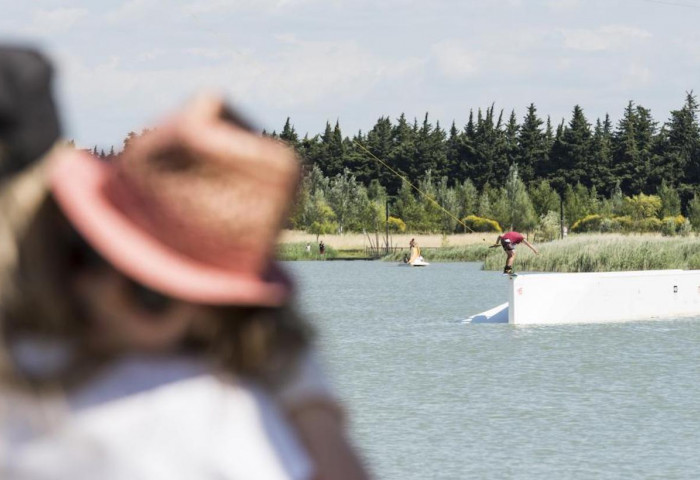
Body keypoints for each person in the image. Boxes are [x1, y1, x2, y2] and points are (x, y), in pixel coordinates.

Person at [0, 47, 368, 480]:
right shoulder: (244, 411)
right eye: (80, 251)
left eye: (145, 294)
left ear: (215, 315)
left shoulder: (190, 418)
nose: (90, 289)